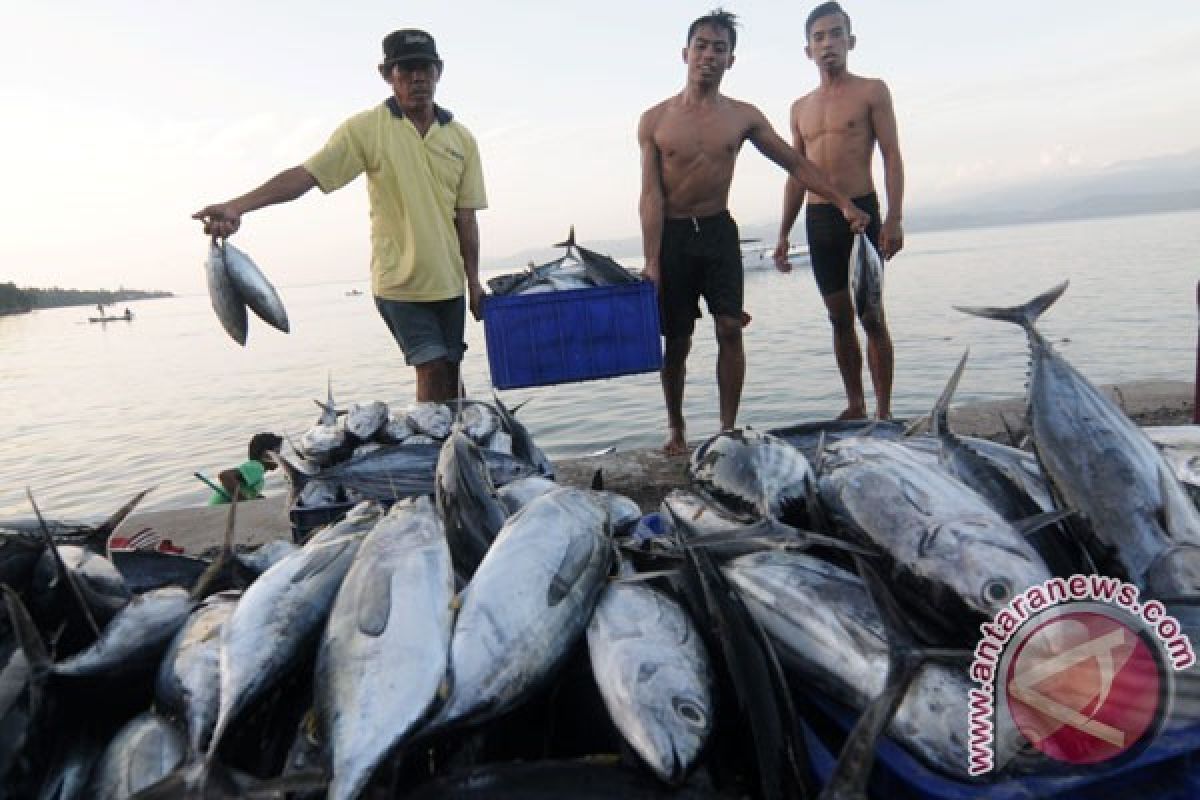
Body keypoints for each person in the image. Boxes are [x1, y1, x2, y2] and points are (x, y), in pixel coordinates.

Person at [193, 29, 487, 402]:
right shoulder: (366, 130)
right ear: (386, 74)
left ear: (439, 72)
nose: (418, 79)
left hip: (449, 284)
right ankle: (434, 455)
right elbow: (306, 176)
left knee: (450, 371)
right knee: (430, 368)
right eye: (406, 69)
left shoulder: (461, 139)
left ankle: (454, 451)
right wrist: (238, 206)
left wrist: (473, 282)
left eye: (425, 69)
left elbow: (467, 219)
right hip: (400, 284)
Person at [639, 8, 870, 456]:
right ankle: (677, 429)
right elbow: (650, 196)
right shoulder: (655, 120)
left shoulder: (742, 117)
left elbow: (796, 163)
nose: (709, 55)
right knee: (678, 340)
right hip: (672, 236)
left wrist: (843, 203)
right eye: (702, 46)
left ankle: (726, 429)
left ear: (731, 61)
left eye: (719, 49)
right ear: (685, 53)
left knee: (730, 328)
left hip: (719, 230)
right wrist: (651, 260)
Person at [773, 2, 904, 421]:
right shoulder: (800, 108)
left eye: (834, 34)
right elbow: (796, 172)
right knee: (838, 318)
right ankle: (855, 403)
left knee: (872, 315)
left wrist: (895, 217)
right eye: (818, 37)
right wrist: (782, 233)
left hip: (861, 214)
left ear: (850, 41)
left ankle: (883, 411)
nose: (827, 43)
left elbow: (891, 154)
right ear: (807, 50)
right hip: (819, 219)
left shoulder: (872, 91)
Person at [208, 432, 283, 505]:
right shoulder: (257, 466)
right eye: (277, 453)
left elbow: (245, 489)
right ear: (265, 455)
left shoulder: (257, 472)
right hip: (218, 510)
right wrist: (243, 502)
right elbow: (225, 476)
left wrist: (255, 497)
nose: (280, 457)